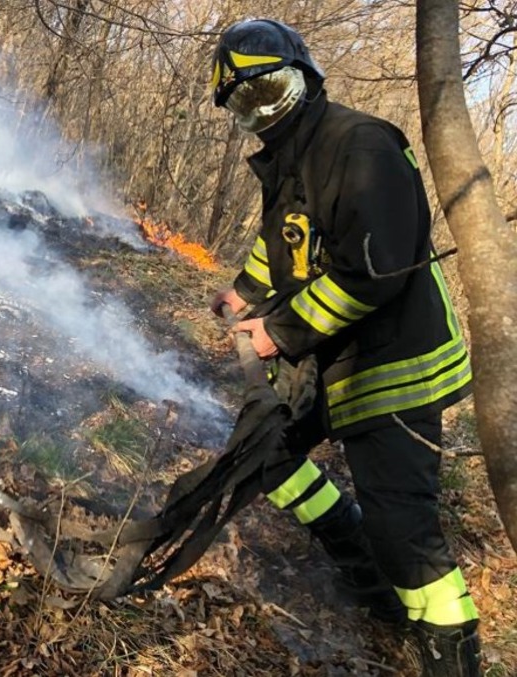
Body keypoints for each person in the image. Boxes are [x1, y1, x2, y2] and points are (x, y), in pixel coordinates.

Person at [206, 18, 480, 676]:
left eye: (271, 90)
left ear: (306, 77)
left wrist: (279, 332)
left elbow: (373, 270)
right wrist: (245, 294)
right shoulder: (292, 162)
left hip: (396, 364)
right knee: (265, 451)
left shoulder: (360, 145)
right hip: (336, 359)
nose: (264, 112)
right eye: (245, 104)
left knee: (405, 534)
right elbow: (284, 246)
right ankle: (367, 576)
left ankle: (451, 653)